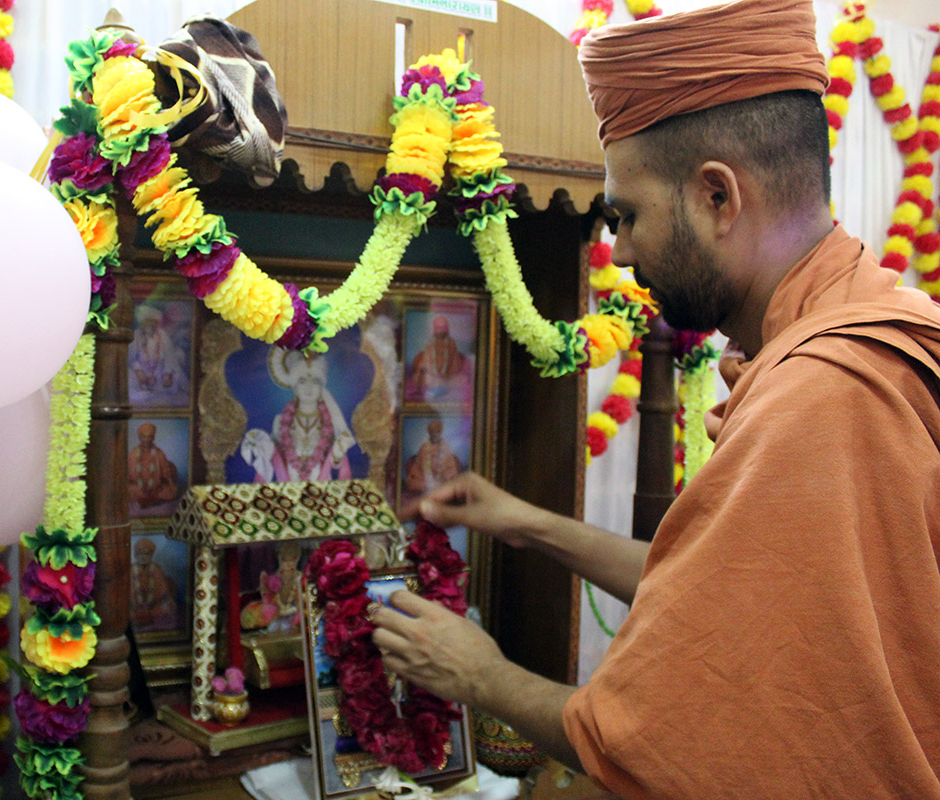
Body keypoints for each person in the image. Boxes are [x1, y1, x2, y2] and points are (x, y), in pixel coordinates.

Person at [370, 0, 940, 796]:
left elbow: (654, 742)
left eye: (629, 216)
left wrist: (479, 674)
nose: (623, 252)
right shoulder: (876, 318)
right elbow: (721, 585)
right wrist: (527, 523)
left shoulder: (820, 397)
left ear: (717, 198)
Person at [240, 350, 357, 482]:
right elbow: (274, 458)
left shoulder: (330, 422)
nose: (308, 387)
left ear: (322, 387)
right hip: (287, 490)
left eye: (315, 381)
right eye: (302, 381)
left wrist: (337, 455)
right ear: (294, 387)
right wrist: (260, 447)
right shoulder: (280, 421)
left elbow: (337, 463)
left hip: (322, 490)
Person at [406, 315, 470, 402]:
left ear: (447, 330)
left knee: (462, 380)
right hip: (432, 376)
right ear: (434, 330)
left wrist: (448, 375)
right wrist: (425, 370)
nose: (440, 331)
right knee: (418, 378)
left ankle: (440, 387)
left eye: (443, 328)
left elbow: (456, 363)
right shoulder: (430, 344)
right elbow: (426, 361)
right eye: (438, 328)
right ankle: (438, 388)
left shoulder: (451, 344)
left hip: (448, 377)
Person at [127, 423, 180, 512]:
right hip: (138, 487)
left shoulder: (159, 453)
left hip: (156, 488)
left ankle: (147, 500)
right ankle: (148, 500)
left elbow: (166, 472)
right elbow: (128, 475)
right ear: (139, 438)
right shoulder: (132, 454)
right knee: (131, 491)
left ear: (153, 438)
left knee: (170, 492)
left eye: (149, 437)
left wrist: (171, 484)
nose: (146, 440)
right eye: (144, 437)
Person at [404, 419, 463, 495]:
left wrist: (444, 473)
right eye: (432, 432)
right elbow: (418, 465)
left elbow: (450, 466)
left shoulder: (446, 447)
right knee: (412, 482)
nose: (435, 434)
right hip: (425, 478)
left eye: (437, 432)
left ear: (440, 432)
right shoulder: (424, 447)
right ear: (429, 433)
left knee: (451, 483)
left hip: (442, 478)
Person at [132, 537, 179, 630]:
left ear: (151, 554)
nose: (143, 556)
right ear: (136, 554)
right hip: (134, 607)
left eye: (147, 553)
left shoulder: (157, 570)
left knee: (166, 606)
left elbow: (164, 592)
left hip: (154, 607)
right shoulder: (130, 570)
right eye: (140, 553)